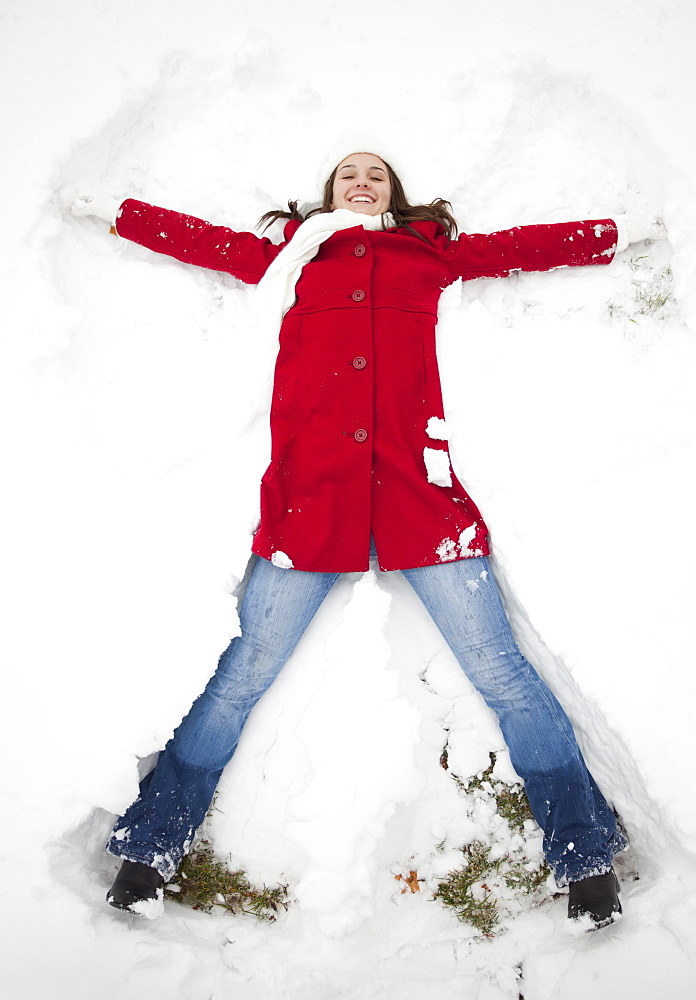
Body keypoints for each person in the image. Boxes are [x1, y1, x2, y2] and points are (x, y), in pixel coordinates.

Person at [72, 135, 659, 928]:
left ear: (394, 193)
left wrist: (615, 234)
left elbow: (522, 248)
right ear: (325, 192)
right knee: (242, 676)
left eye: (374, 174)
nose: (360, 181)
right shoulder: (290, 255)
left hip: (423, 502)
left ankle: (583, 855)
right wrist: (117, 214)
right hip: (311, 505)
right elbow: (204, 241)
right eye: (347, 173)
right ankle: (151, 844)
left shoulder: (428, 253)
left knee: (504, 673)